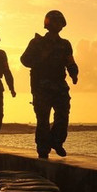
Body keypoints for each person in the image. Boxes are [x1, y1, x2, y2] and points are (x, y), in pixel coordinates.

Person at [20, 10, 79, 159]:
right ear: (48, 24)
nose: (57, 25)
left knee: (63, 115)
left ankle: (57, 141)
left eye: (59, 22)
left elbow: (70, 61)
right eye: (55, 22)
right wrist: (41, 58)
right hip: (41, 87)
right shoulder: (37, 42)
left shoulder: (65, 44)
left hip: (60, 85)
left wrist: (74, 74)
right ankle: (43, 148)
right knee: (43, 119)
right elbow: (25, 60)